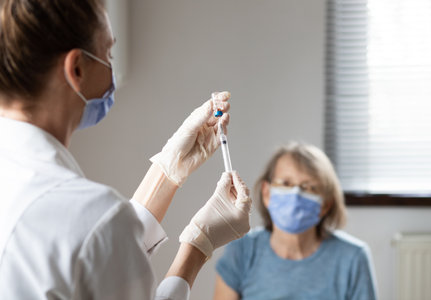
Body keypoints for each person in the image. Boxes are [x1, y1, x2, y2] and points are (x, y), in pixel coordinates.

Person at [0, 1, 251, 299]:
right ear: (76, 68)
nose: (111, 69)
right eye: (109, 54)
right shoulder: (88, 215)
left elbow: (100, 248)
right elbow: (97, 235)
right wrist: (198, 246)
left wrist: (168, 170)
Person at [214, 142, 377, 300]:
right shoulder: (242, 250)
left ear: (326, 204)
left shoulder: (353, 257)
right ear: (266, 193)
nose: (295, 194)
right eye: (286, 183)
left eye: (309, 187)